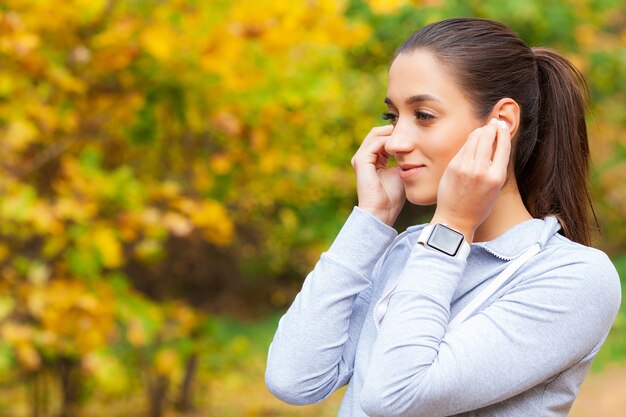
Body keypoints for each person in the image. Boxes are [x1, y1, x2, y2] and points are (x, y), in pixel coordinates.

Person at [264, 17, 621, 417]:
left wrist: (452, 224)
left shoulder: (573, 277)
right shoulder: (405, 252)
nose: (397, 141)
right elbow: (293, 378)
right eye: (392, 117)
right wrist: (371, 219)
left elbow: (396, 396)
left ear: (500, 122)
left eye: (424, 115)